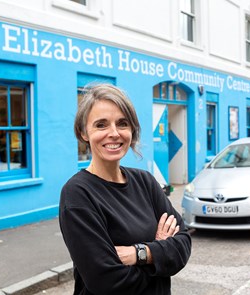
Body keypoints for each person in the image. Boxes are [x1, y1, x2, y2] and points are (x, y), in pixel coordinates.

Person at [59, 83, 191, 294]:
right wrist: (160, 254)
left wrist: (141, 253)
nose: (114, 133)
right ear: (84, 132)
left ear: (132, 130)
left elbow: (183, 244)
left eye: (122, 123)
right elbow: (107, 282)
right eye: (101, 125)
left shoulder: (145, 182)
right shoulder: (78, 194)